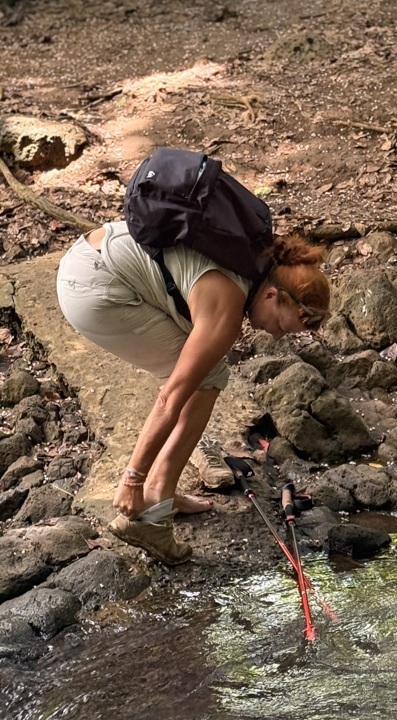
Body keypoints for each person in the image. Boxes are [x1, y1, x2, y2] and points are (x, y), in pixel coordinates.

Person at [56, 220, 330, 565]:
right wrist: (132, 478)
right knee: (208, 373)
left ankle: (162, 493)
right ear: (272, 295)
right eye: (279, 325)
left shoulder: (248, 260)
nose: (274, 336)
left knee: (201, 366)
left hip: (88, 258)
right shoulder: (227, 307)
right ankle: (153, 507)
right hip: (93, 286)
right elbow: (170, 397)